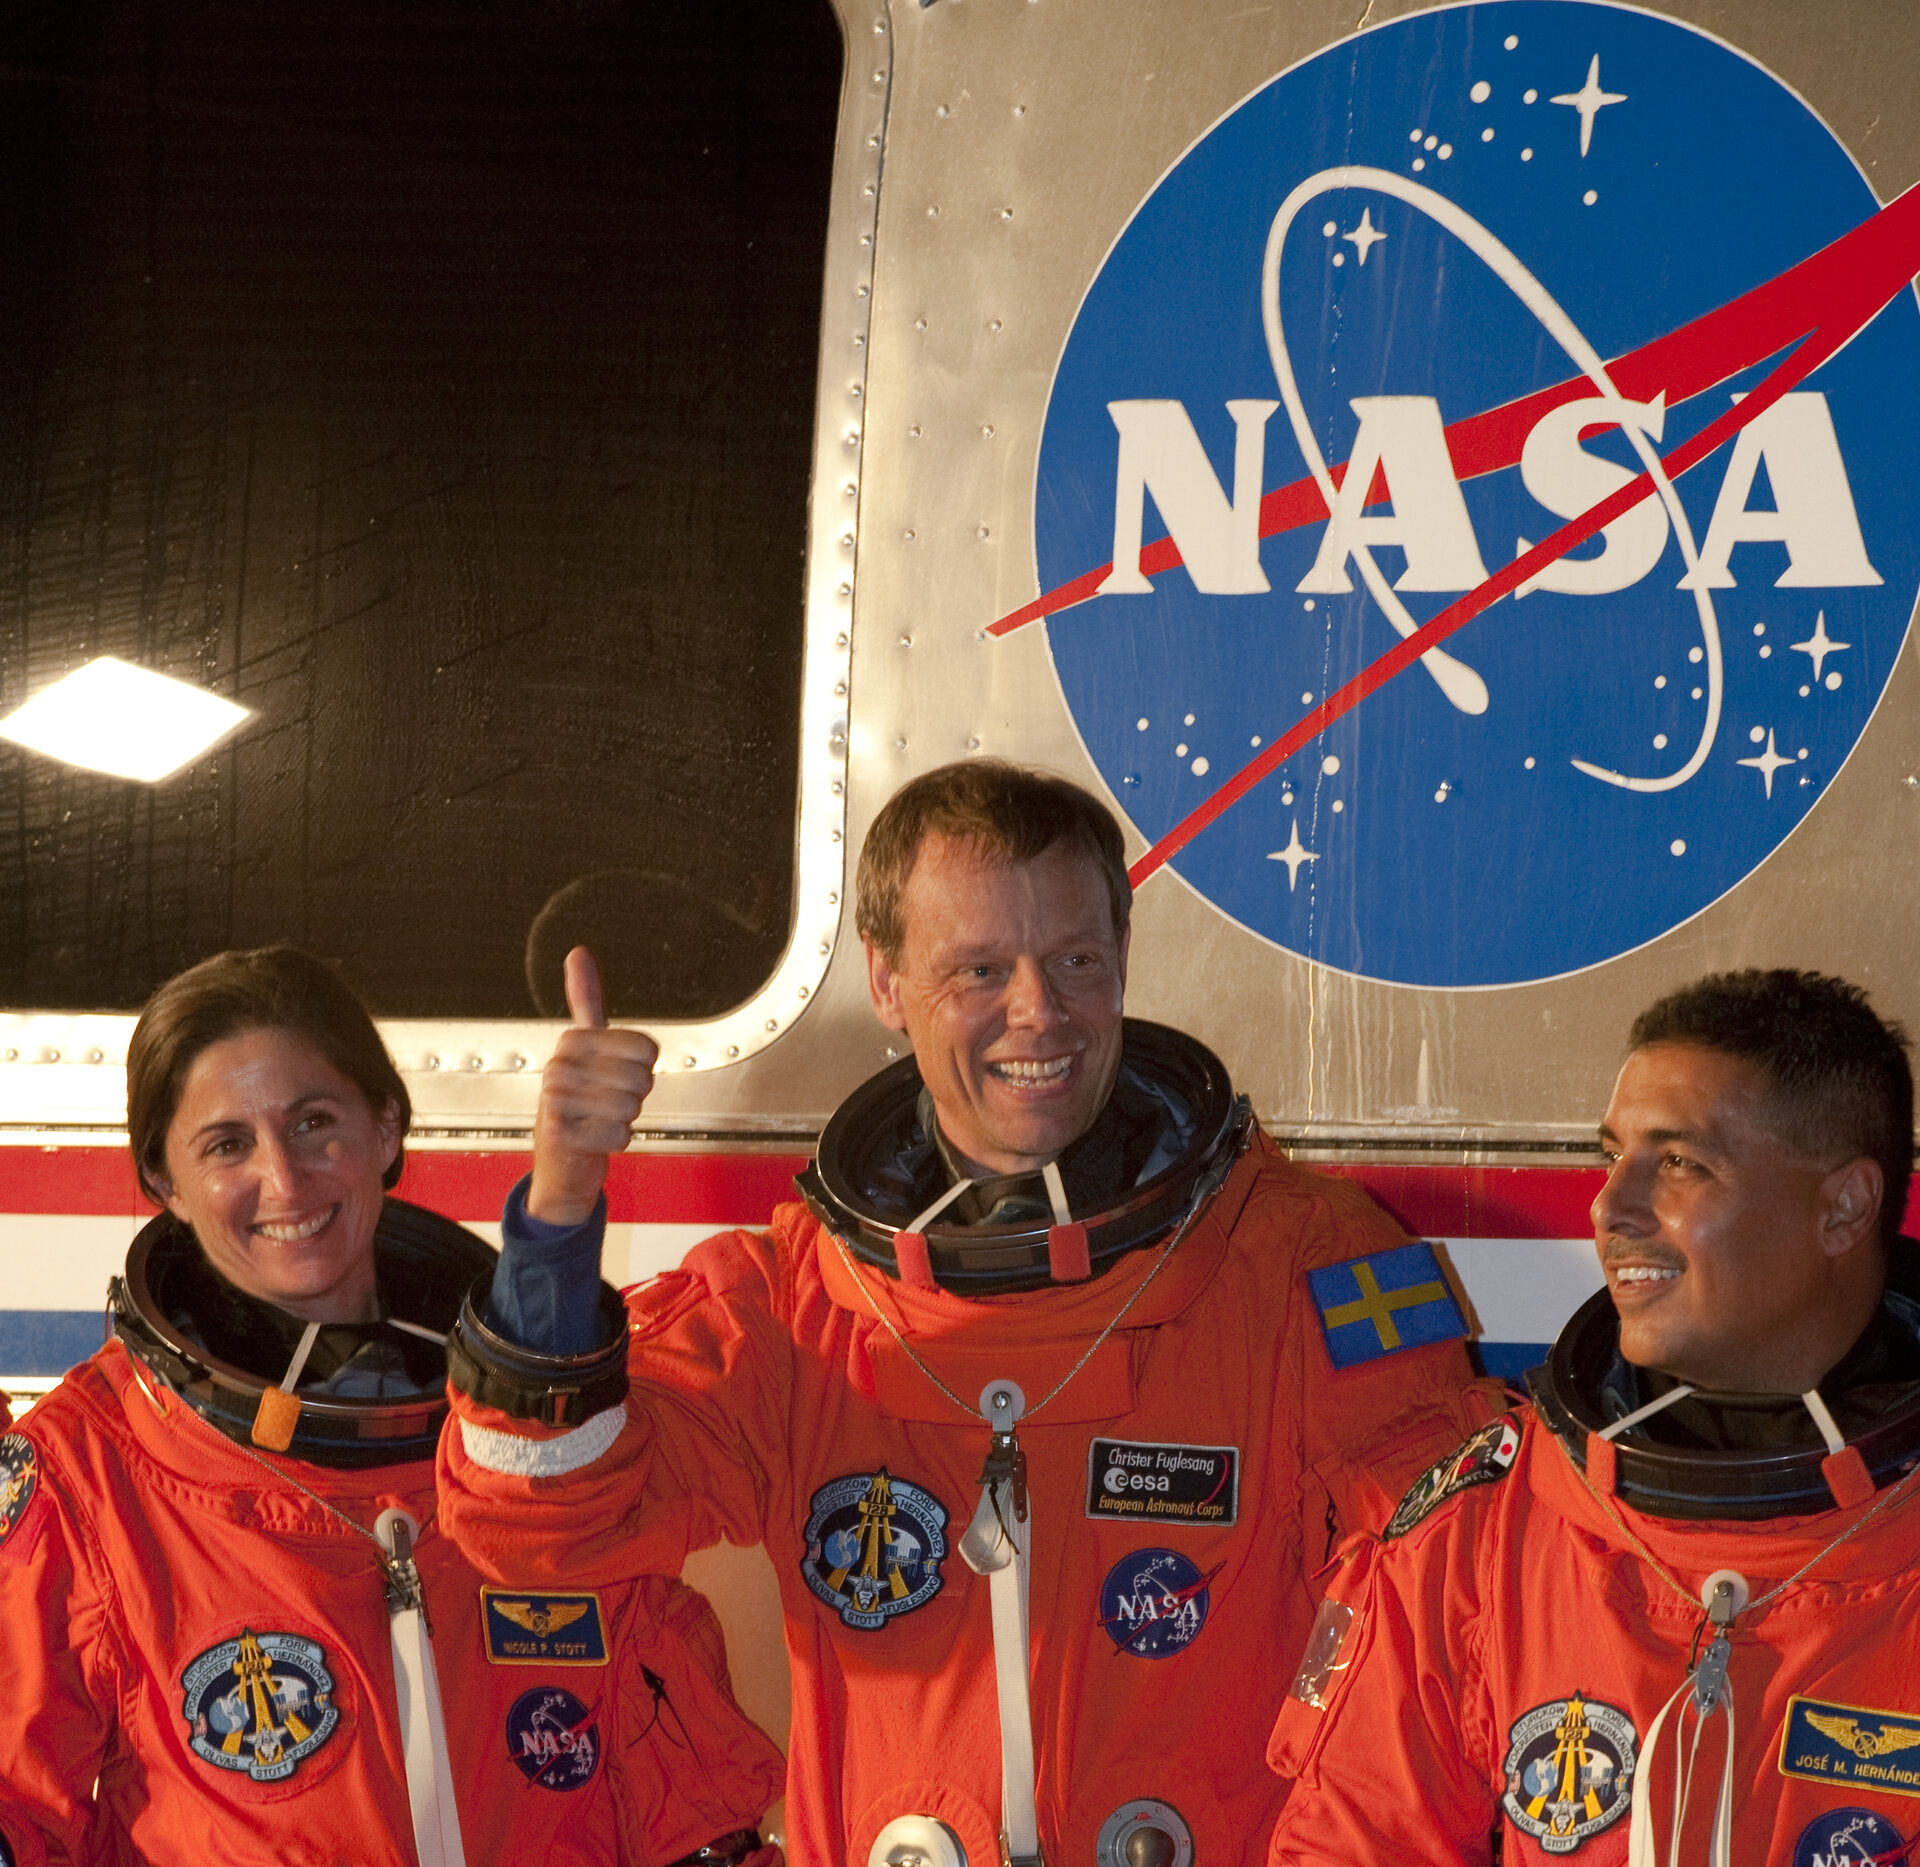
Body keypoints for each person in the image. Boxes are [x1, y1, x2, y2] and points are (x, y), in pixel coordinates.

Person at [438, 760, 1500, 1867]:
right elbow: (536, 1521)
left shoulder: (1307, 1263)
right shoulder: (797, 1301)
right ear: (888, 984)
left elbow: (1444, 1623)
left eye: (1076, 960)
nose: (1039, 1013)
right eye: (981, 968)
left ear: (1123, 960)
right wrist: (556, 1218)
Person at [0, 945, 784, 1867]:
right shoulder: (90, 1475)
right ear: (166, 1184)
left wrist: (565, 1193)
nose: (285, 1182)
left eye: (314, 1123)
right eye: (226, 1145)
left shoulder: (538, 1455)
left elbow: (689, 1816)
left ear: (386, 1128)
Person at [1266, 968, 1920, 1867]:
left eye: (1680, 1162)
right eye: (1612, 1155)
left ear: (1843, 1206)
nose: (1609, 1206)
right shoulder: (1484, 1537)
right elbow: (1355, 1842)